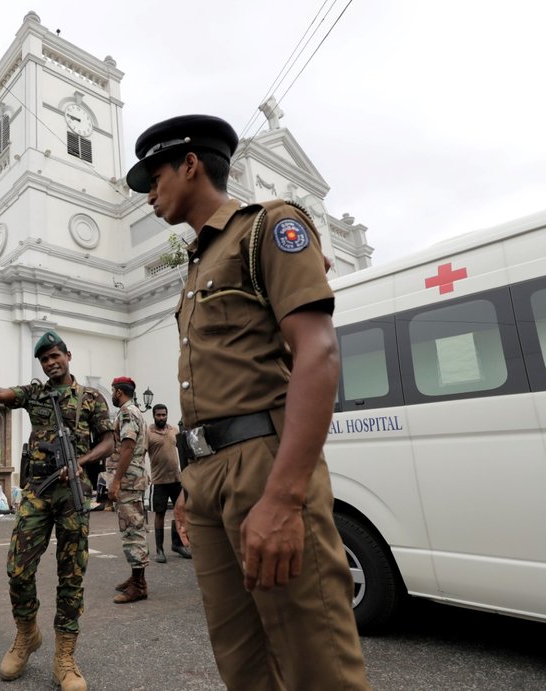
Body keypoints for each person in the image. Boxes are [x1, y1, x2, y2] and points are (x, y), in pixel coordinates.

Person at [126, 114, 368, 689]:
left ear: (190, 164)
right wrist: (190, 484)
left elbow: (318, 352)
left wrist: (284, 498)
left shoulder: (269, 227)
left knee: (316, 662)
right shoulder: (196, 263)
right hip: (206, 475)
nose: (149, 193)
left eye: (155, 176)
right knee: (241, 660)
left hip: (265, 463)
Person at [0, 329, 114, 691]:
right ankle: (27, 635)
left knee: (71, 575)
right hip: (37, 492)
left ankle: (65, 657)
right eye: (45, 359)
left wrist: (81, 461)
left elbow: (109, 440)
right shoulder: (36, 393)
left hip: (72, 493)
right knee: (18, 569)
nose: (51, 362)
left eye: (56, 356)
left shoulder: (90, 399)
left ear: (68, 356)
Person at [107, 376, 150, 605]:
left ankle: (139, 585)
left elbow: (127, 447)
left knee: (132, 531)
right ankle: (136, 577)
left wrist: (116, 480)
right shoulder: (136, 412)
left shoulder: (127, 412)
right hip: (135, 478)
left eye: (113, 390)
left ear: (118, 391)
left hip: (129, 481)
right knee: (135, 527)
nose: (112, 394)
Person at [145, 404, 191, 563]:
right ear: (153, 415)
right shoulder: (148, 433)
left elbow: (184, 451)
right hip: (159, 481)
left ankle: (177, 545)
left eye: (164, 415)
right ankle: (159, 549)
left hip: (176, 479)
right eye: (158, 415)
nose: (161, 417)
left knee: (180, 511)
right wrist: (144, 473)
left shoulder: (173, 431)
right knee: (160, 513)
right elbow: (140, 453)